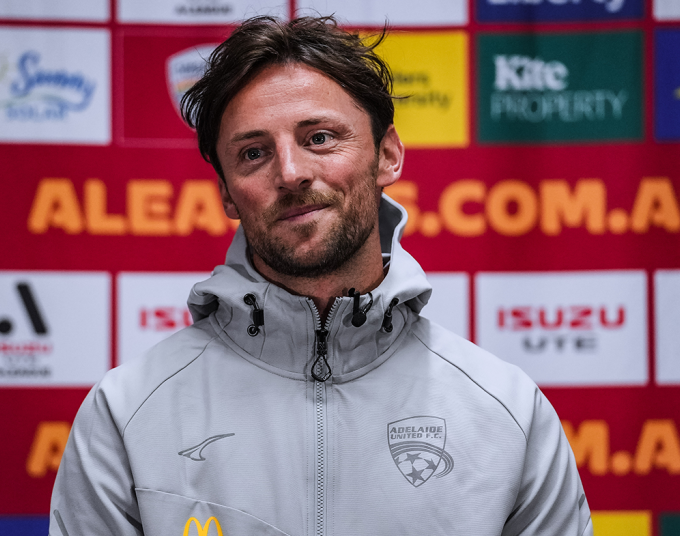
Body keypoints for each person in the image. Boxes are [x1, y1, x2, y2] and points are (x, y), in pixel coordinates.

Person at [49, 15, 592, 536]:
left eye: (320, 138)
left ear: (387, 155)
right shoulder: (127, 412)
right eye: (254, 153)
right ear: (227, 194)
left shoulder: (506, 412)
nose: (290, 173)